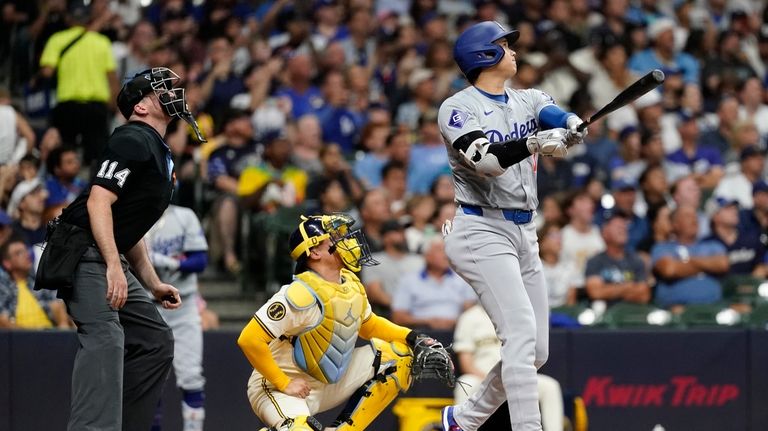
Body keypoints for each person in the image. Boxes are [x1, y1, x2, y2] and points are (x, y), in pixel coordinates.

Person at [35, 67, 206, 431]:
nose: (173, 93)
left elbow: (130, 227)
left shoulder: (156, 148)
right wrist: (114, 265)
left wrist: (152, 281)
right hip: (84, 253)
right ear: (141, 107)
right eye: (160, 90)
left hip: (104, 252)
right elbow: (99, 202)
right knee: (106, 337)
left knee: (154, 340)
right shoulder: (132, 137)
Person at [437, 21, 587, 431]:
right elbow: (484, 160)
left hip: (524, 232)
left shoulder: (527, 98)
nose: (514, 51)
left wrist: (570, 124)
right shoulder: (457, 107)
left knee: (536, 350)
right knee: (520, 335)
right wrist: (538, 142)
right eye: (505, 45)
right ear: (484, 55)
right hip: (480, 229)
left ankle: (463, 420)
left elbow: (552, 111)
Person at [237, 213, 452, 431]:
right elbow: (249, 339)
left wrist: (413, 337)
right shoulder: (299, 294)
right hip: (279, 388)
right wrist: (284, 382)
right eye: (334, 238)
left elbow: (369, 326)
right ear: (314, 252)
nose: (345, 241)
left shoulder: (349, 284)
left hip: (325, 384)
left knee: (399, 355)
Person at [144, 204, 210, 431]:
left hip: (184, 304)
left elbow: (200, 260)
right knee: (150, 381)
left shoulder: (183, 216)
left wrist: (170, 262)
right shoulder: (133, 213)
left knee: (191, 376)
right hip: (146, 307)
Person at [453, 304, 565, 431]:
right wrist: (492, 380)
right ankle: (459, 427)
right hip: (482, 377)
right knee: (466, 383)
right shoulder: (469, 317)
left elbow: (532, 354)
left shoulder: (517, 311)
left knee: (550, 386)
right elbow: (465, 361)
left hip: (517, 374)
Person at [651, 205, 730, 310]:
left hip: (714, 308)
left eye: (695, 216)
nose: (694, 220)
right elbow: (669, 270)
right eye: (687, 216)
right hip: (676, 309)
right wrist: (707, 265)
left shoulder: (712, 245)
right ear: (675, 224)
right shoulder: (662, 248)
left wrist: (686, 262)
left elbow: (722, 264)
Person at [390, 237, 476, 331]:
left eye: (447, 250)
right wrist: (427, 321)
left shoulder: (461, 278)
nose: (446, 254)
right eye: (440, 250)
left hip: (458, 330)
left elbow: (471, 311)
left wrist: (456, 322)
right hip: (422, 333)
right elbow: (398, 317)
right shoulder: (409, 280)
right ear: (427, 256)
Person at [584, 209, 651, 307]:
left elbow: (644, 295)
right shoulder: (595, 261)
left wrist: (609, 291)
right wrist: (627, 287)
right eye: (617, 227)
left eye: (624, 227)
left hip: (632, 315)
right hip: (604, 316)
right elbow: (596, 292)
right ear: (604, 233)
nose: (623, 229)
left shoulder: (636, 260)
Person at [0, 237, 69, 329]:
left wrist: (63, 325)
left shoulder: (40, 280)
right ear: (7, 263)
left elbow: (57, 305)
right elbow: (3, 320)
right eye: (19, 253)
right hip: (17, 338)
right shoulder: (3, 287)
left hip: (49, 334)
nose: (27, 255)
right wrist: (27, 336)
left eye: (26, 250)